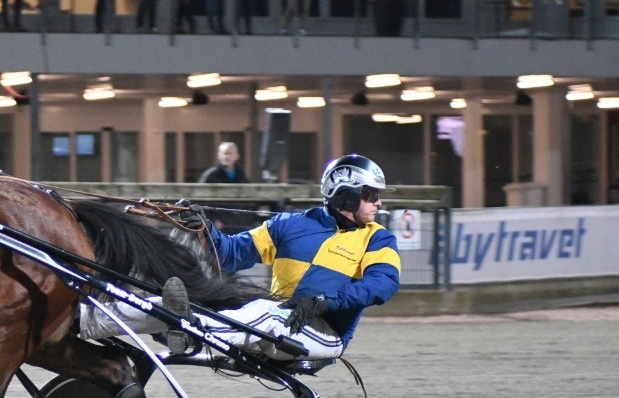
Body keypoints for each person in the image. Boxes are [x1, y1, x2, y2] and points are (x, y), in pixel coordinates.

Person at [79, 154, 401, 361]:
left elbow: (383, 285)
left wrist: (321, 301)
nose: (378, 203)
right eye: (371, 195)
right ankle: (82, 322)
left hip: (323, 333)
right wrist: (203, 230)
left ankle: (190, 334)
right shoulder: (288, 225)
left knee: (267, 312)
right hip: (278, 321)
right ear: (346, 194)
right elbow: (230, 255)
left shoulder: (378, 238)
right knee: (175, 302)